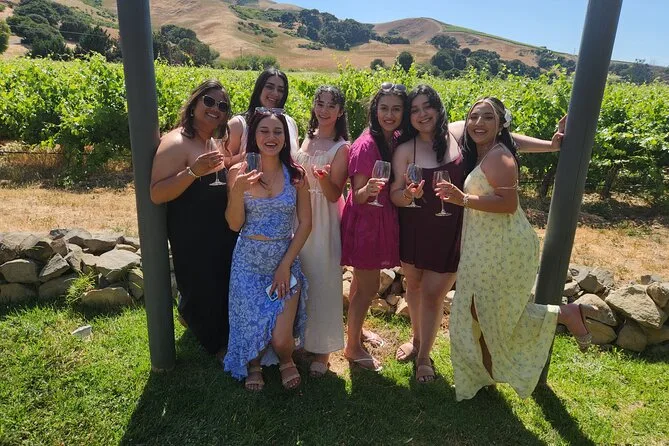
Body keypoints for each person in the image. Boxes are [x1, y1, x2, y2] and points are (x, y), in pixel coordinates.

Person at [436, 97, 594, 400]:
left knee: (491, 312)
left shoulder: (499, 157)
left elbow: (508, 204)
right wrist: (551, 145)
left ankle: (565, 314)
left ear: (500, 125)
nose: (478, 123)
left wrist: (462, 199)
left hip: (503, 245)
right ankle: (488, 374)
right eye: (474, 116)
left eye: (488, 118)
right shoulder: (485, 146)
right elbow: (513, 138)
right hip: (484, 243)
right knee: (480, 311)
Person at [223, 107, 311, 392]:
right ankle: (254, 365)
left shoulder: (296, 175)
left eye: (277, 132)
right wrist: (237, 191)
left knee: (282, 340)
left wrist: (285, 265)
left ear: (285, 138)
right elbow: (234, 224)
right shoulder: (238, 172)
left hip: (283, 260)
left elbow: (306, 224)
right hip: (248, 262)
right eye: (264, 131)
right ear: (254, 136)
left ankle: (286, 358)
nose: (271, 137)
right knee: (251, 332)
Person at [150, 79, 238, 361]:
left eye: (222, 105)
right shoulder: (176, 142)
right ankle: (215, 344)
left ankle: (209, 328)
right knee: (202, 286)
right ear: (194, 103)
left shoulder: (209, 140)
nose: (215, 109)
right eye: (209, 101)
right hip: (192, 233)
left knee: (218, 284)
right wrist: (192, 173)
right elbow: (156, 193)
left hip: (217, 230)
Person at [390, 85, 465, 382]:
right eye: (415, 110)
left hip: (450, 229)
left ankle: (424, 357)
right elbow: (395, 193)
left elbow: (503, 135)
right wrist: (408, 196)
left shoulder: (458, 134)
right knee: (415, 286)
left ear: (438, 107)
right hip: (414, 228)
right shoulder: (405, 149)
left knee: (433, 295)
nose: (422, 114)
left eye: (427, 107)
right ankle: (417, 339)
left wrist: (551, 145)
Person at [340, 82, 409, 371]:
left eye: (396, 109)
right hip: (366, 224)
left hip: (378, 219)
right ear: (375, 110)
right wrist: (368, 189)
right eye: (384, 108)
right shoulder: (367, 144)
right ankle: (352, 348)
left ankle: (356, 332)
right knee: (368, 288)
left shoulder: (393, 138)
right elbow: (357, 196)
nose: (389, 115)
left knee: (360, 284)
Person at [292, 85, 350, 377]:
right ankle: (303, 338)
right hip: (298, 216)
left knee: (323, 280)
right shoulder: (306, 138)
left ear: (340, 112)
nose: (324, 110)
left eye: (331, 105)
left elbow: (334, 193)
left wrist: (324, 179)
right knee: (301, 278)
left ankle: (323, 349)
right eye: (320, 103)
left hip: (324, 220)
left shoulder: (342, 147)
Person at [227, 67, 300, 161]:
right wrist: (248, 155)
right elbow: (224, 162)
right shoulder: (238, 124)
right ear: (259, 89)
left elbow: (295, 161)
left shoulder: (291, 123)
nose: (275, 93)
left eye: (280, 90)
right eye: (269, 87)